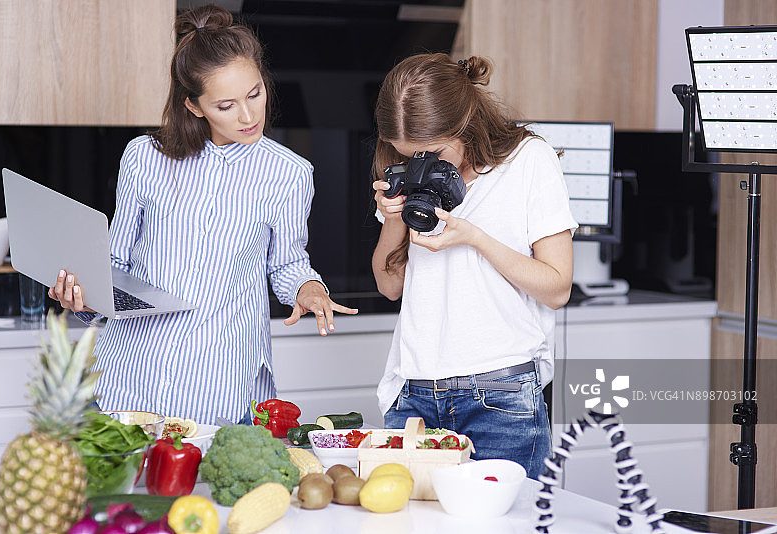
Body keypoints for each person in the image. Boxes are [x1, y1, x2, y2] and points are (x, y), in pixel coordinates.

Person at [49, 4, 357, 425]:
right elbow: (113, 263)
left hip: (225, 383)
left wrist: (308, 288)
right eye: (226, 105)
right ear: (194, 105)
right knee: (125, 491)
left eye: (255, 94)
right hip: (132, 378)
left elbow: (287, 262)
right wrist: (82, 299)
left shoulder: (290, 173)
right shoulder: (144, 158)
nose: (249, 116)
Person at [371, 53, 577, 478]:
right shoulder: (411, 172)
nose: (422, 164)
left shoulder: (528, 160)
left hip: (499, 397)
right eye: (410, 155)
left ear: (464, 124)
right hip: (414, 393)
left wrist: (473, 237)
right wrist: (393, 219)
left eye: (433, 152)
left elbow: (557, 288)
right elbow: (390, 286)